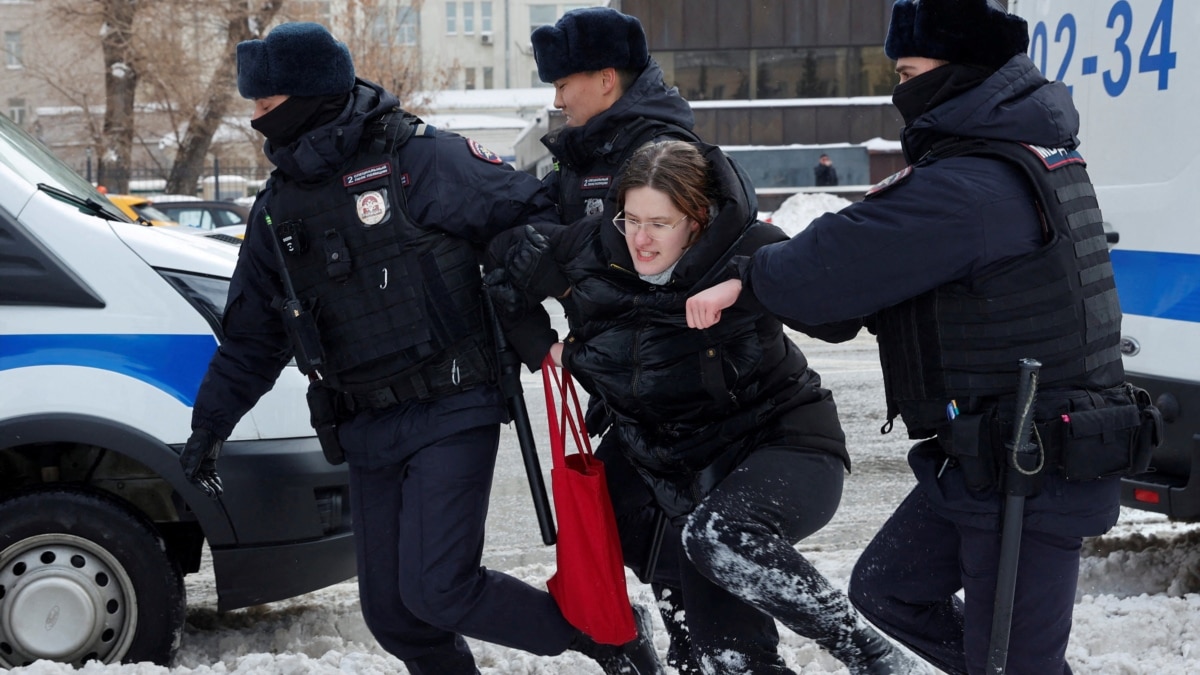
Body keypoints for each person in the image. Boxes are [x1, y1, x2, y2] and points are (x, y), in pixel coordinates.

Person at [686, 1, 1160, 673]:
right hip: (984, 460)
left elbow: (848, 254)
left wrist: (749, 277)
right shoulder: (1007, 156)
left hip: (1032, 470)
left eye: (910, 71)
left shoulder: (976, 183)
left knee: (1013, 665)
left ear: (962, 70)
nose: (900, 90)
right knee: (888, 590)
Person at [175, 22, 661, 675]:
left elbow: (537, 219)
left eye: (267, 105)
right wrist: (210, 426)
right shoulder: (276, 209)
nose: (259, 122)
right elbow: (252, 338)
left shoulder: (420, 158)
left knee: (440, 586)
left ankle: (606, 639)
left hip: (453, 401)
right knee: (395, 614)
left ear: (311, 95)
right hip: (365, 423)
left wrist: (535, 286)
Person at [487, 140, 927, 675]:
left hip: (783, 444)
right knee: (732, 658)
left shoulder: (750, 245)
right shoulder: (588, 250)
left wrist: (747, 283)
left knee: (719, 535)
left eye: (660, 223)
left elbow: (838, 318)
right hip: (682, 476)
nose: (640, 240)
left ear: (697, 220)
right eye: (631, 218)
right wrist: (544, 350)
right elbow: (504, 265)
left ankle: (872, 656)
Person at [516, 7, 706, 670]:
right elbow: (531, 233)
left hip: (675, 387)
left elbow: (644, 264)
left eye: (564, 82)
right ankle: (686, 638)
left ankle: (700, 645)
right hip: (619, 382)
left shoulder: (661, 152)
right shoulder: (586, 155)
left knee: (668, 529)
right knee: (630, 519)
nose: (557, 98)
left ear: (604, 79)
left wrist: (560, 256)